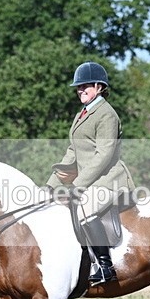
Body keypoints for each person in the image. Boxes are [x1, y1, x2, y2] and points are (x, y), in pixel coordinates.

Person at [46, 61, 135, 285]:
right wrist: (50, 185)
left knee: (85, 206)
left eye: (85, 86)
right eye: (78, 87)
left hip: (109, 179)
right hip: (91, 179)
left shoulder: (107, 114)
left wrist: (79, 185)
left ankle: (105, 267)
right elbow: (71, 153)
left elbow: (104, 154)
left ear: (99, 86)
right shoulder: (82, 114)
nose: (80, 90)